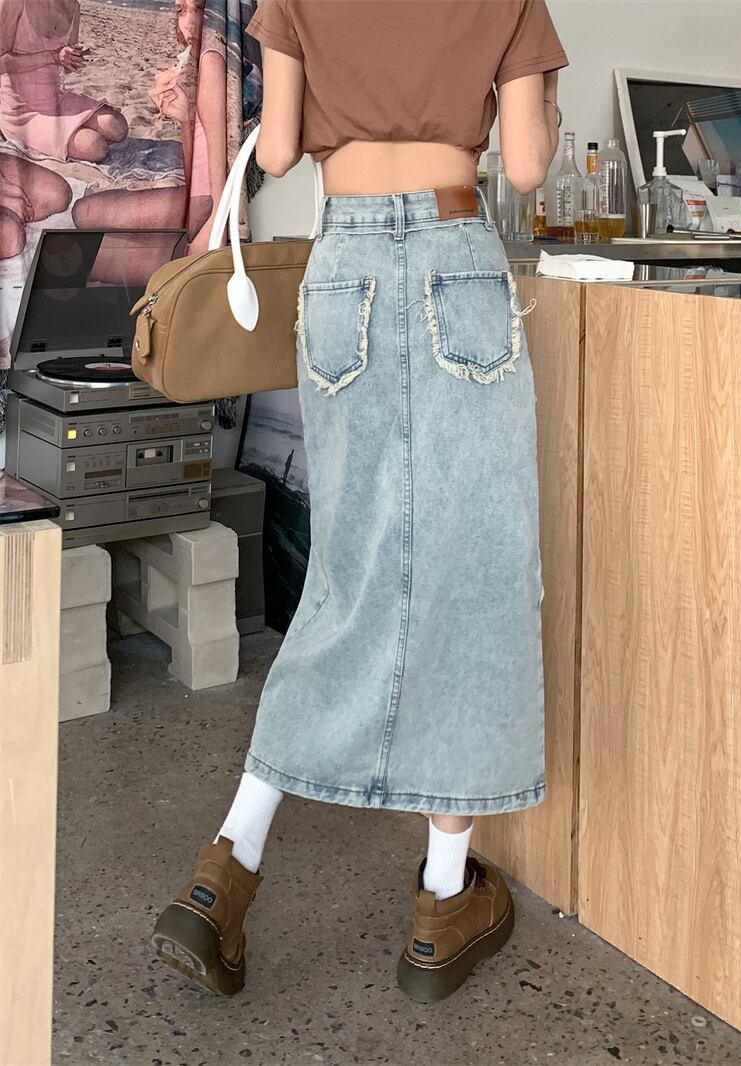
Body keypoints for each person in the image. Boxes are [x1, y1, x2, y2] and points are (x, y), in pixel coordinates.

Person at [152, 0, 568, 1004]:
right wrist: (542, 103)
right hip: (453, 263)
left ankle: (225, 869)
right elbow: (523, 166)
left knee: (347, 574)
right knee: (473, 574)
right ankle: (442, 901)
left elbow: (278, 150)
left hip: (343, 275)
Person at [0, 0, 128, 163]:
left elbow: (64, 66)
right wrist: (52, 56)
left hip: (57, 99)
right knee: (95, 146)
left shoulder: (73, 7)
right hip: (21, 110)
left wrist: (73, 59)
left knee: (117, 126)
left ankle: (67, 134)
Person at [149, 0, 228, 254]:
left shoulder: (211, 61)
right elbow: (194, 167)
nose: (189, 23)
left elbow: (218, 186)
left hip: (207, 203)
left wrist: (216, 226)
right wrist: (185, 119)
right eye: (181, 10)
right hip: (197, 196)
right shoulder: (195, 66)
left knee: (87, 213)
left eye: (199, 9)